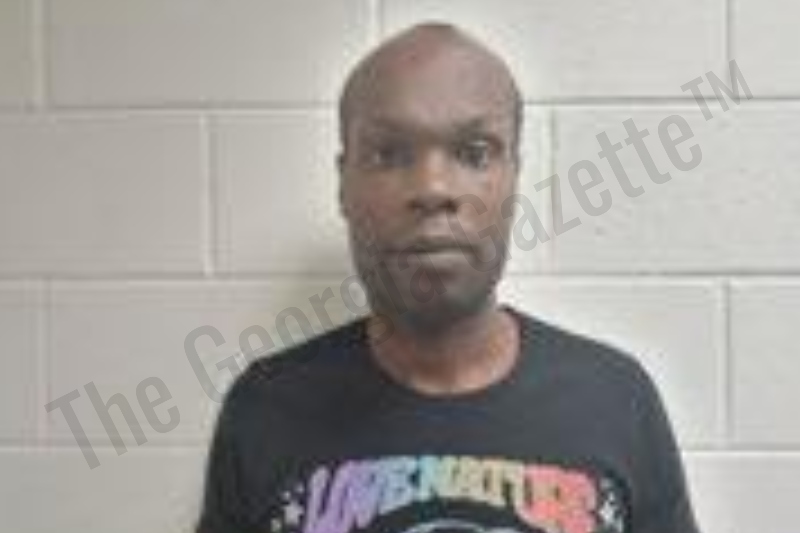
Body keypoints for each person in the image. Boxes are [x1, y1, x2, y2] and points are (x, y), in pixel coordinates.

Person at [195, 22, 701, 533]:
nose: (434, 188)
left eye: (475, 153)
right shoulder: (267, 408)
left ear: (514, 178)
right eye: (389, 154)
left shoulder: (615, 400)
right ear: (343, 185)